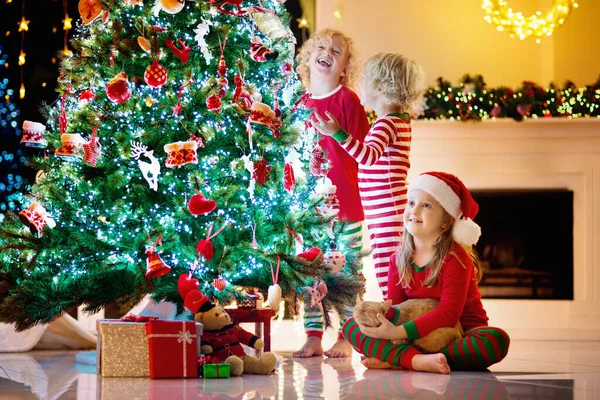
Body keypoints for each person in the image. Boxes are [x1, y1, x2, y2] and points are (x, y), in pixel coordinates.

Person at [341, 172, 510, 373]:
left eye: (426, 205)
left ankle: (401, 359)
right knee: (351, 328)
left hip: (461, 333)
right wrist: (384, 323)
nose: (414, 210)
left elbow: (448, 314)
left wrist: (396, 332)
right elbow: (397, 309)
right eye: (411, 203)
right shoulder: (398, 259)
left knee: (495, 341)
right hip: (412, 335)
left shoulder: (455, 258)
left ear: (446, 221)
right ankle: (418, 360)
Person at [313, 52, 424, 300]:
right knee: (392, 270)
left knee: (388, 272)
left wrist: (337, 133)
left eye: (364, 79)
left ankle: (397, 317)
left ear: (382, 88)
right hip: (384, 210)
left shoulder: (386, 123)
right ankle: (398, 312)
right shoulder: (397, 121)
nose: (359, 84)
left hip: (386, 213)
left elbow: (367, 156)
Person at [293, 29, 370, 358]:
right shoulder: (298, 103)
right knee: (308, 270)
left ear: (345, 67)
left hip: (346, 207)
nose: (327, 52)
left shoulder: (348, 100)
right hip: (308, 208)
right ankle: (313, 334)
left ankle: (347, 335)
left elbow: (364, 152)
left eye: (336, 51)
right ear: (309, 58)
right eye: (321, 47)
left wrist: (336, 134)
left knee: (347, 272)